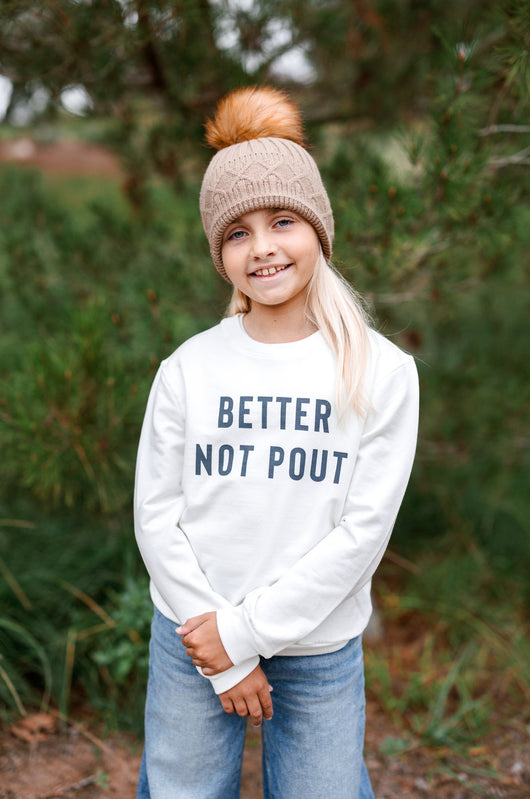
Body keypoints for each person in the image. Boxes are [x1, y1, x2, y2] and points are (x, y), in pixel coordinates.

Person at [134, 86, 419, 799]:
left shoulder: (382, 371)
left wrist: (249, 631)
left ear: (317, 230)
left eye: (281, 220)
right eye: (237, 232)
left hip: (316, 648)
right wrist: (221, 650)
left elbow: (361, 534)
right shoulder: (188, 369)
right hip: (192, 639)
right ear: (219, 252)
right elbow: (156, 517)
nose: (261, 247)